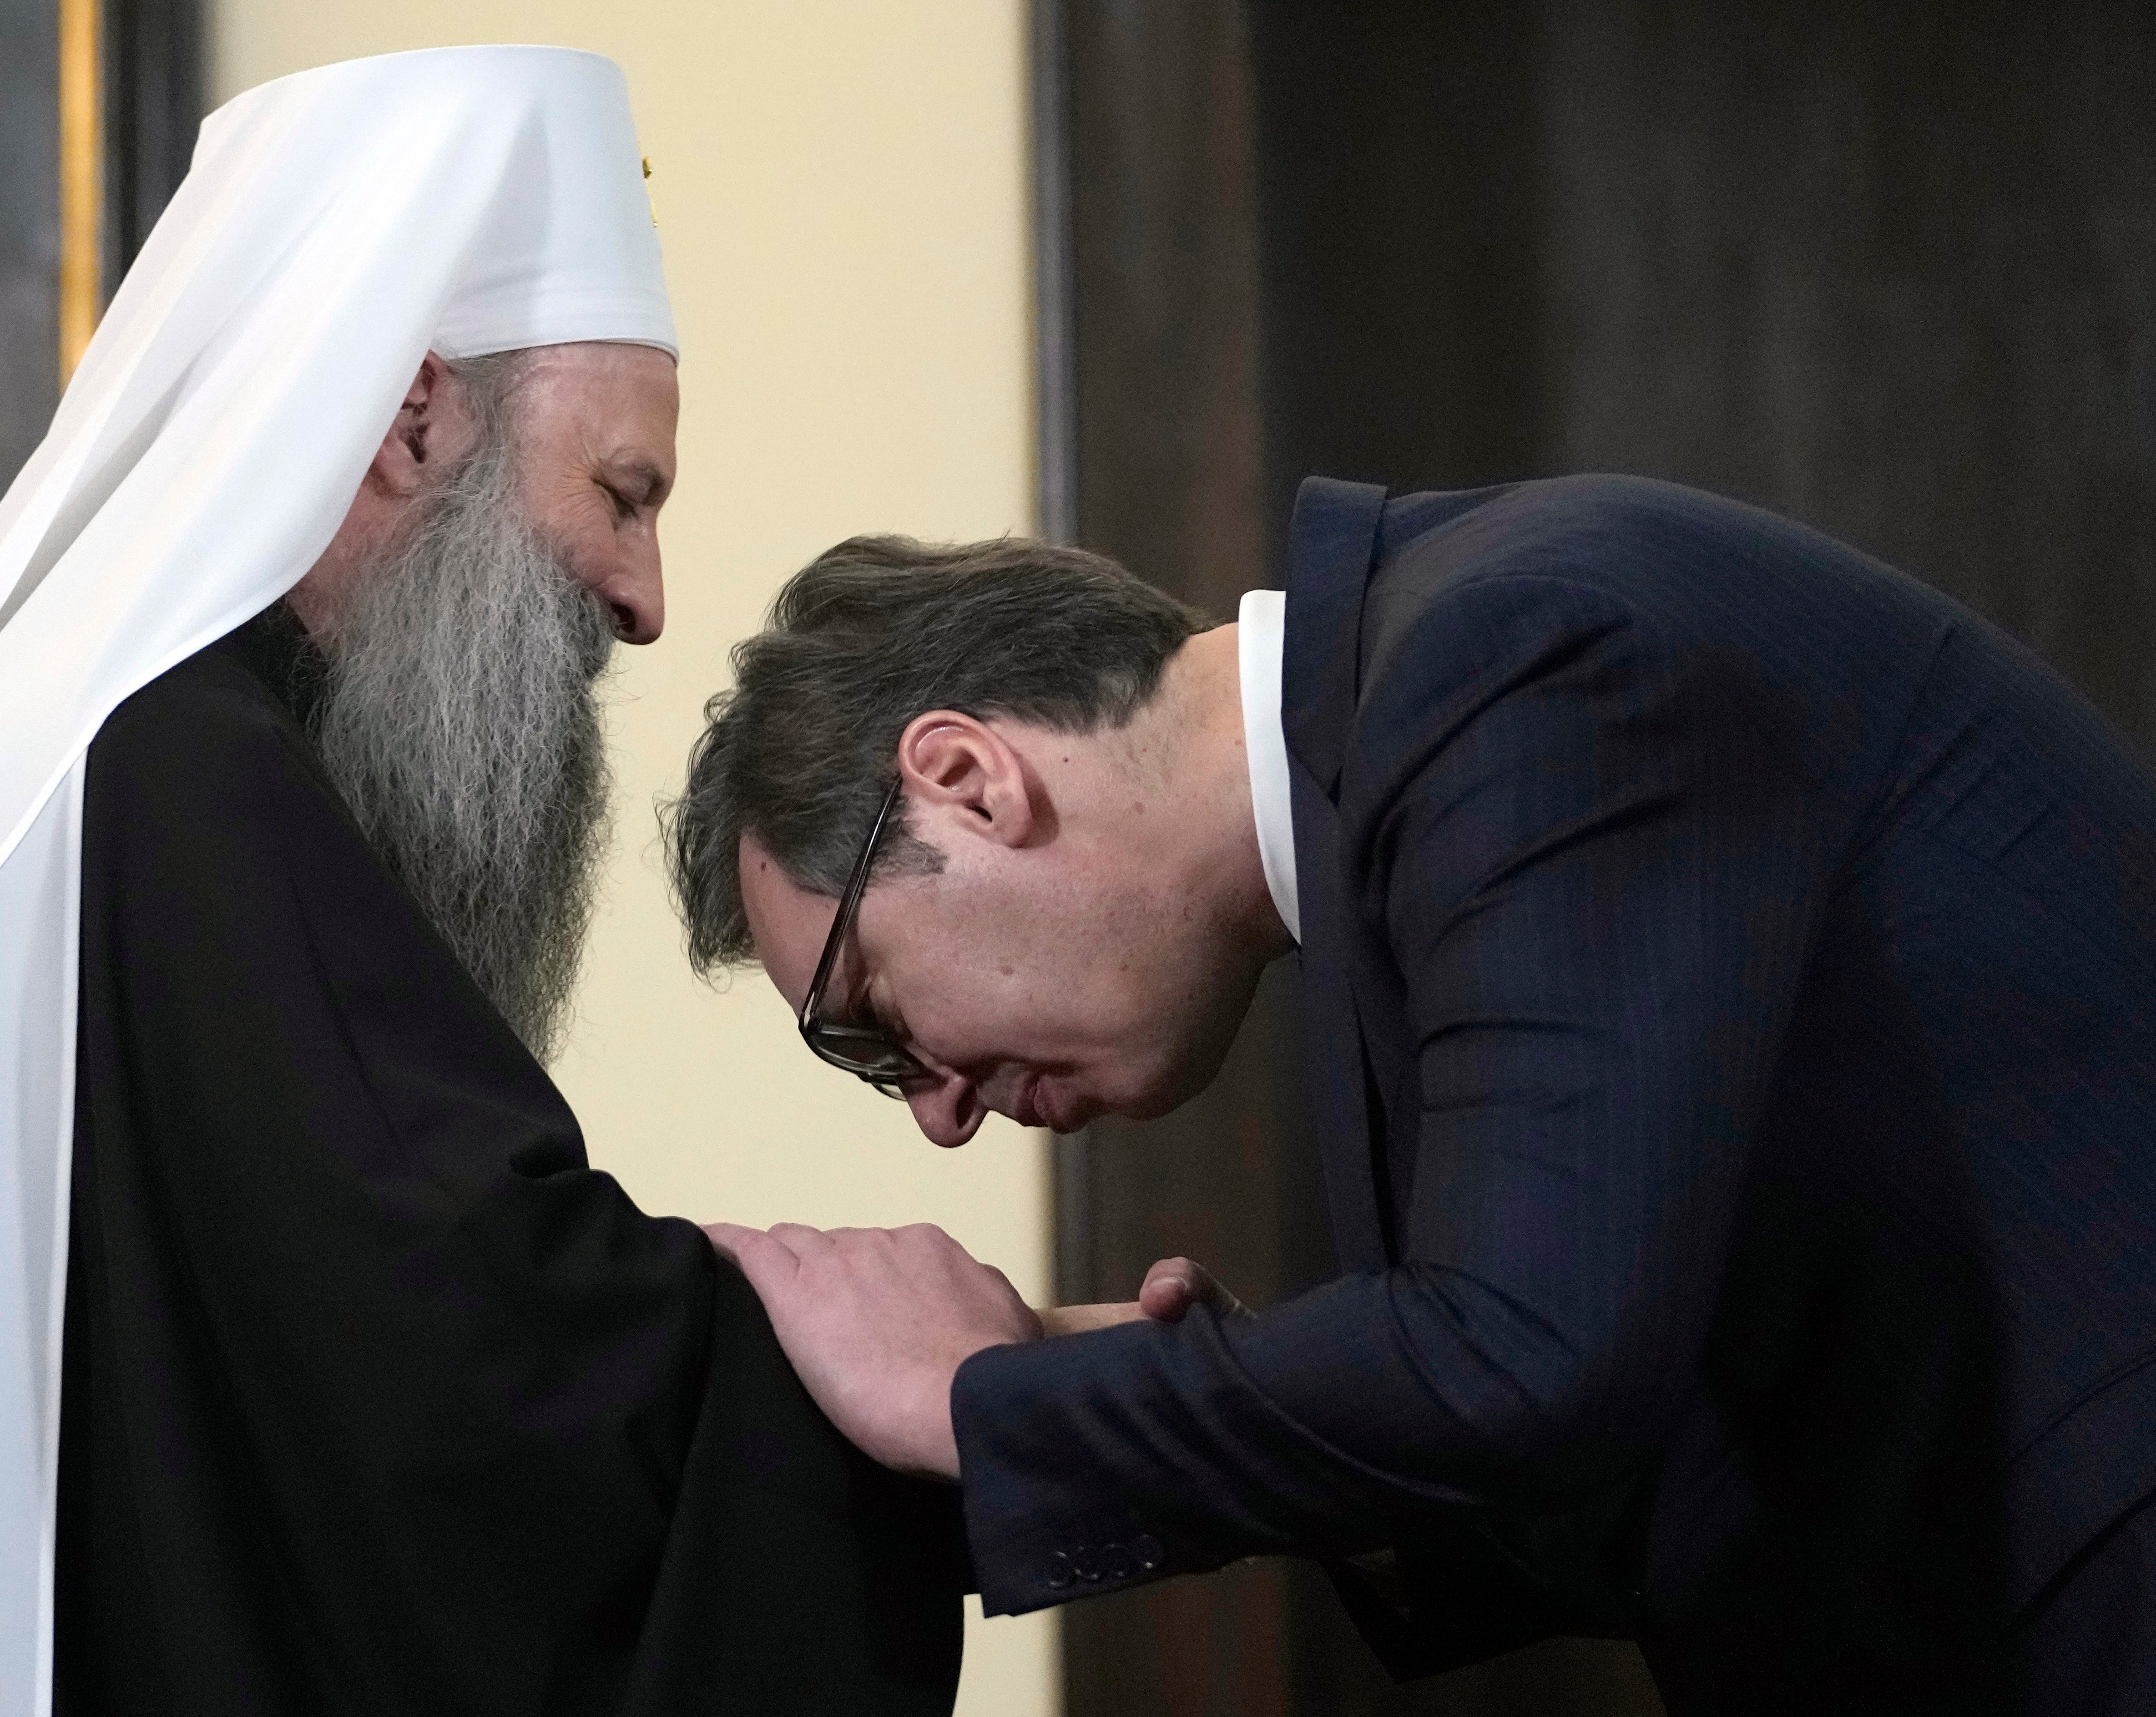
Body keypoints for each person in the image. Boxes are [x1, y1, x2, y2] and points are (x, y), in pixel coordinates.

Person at [0, 49, 964, 1717]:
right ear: (409, 419)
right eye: (620, 492)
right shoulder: (182, 779)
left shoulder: (85, 747)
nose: (645, 597)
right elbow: (480, 1374)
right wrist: (972, 1376)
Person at [670, 476, 2156, 1714]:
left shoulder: (1515, 660)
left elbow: (1530, 1364)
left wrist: (979, 1401)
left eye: (871, 1017)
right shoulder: (1420, 753)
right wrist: (1122, 1369)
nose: (932, 1109)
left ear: (967, 778)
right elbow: (1600, 1440)